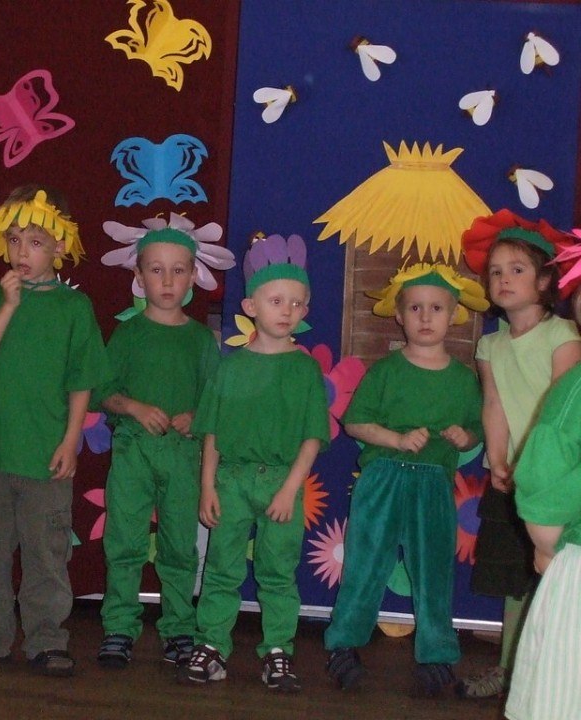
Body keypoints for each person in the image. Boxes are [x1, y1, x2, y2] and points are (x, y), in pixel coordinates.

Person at [0, 185, 108, 678]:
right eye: (14, 240)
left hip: (45, 453)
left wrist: (70, 440)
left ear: (60, 246)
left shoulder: (74, 308)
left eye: (35, 242)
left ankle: (46, 639)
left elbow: (82, 380)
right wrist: (8, 306)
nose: (22, 252)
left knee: (46, 551)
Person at [324, 263, 488, 696]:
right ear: (399, 315)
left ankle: (437, 654)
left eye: (436, 308)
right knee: (364, 565)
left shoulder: (463, 380)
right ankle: (343, 644)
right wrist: (396, 439)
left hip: (433, 485)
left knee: (434, 572)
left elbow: (478, 427)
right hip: (383, 480)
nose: (425, 317)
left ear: (453, 314)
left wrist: (467, 436)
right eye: (415, 308)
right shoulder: (386, 371)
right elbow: (355, 422)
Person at [178, 234, 329, 692]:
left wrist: (289, 490)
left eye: (296, 303)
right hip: (232, 481)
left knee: (278, 570)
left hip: (282, 482)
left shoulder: (304, 369)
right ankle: (212, 644)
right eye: (276, 300)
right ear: (251, 306)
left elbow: (312, 437)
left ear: (305, 310)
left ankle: (278, 650)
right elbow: (213, 433)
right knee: (222, 566)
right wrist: (208, 486)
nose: (286, 310)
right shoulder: (231, 367)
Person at [93, 219, 234, 669]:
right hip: (133, 450)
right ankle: (119, 626)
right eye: (156, 270)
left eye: (178, 270)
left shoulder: (200, 340)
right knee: (124, 541)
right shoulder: (128, 334)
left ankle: (178, 628)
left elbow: (217, 401)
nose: (167, 281)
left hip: (183, 457)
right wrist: (134, 407)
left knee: (179, 546)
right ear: (139, 276)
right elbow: (102, 391)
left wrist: (197, 418)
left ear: (193, 276)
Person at [457, 211, 581, 698]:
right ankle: (511, 670)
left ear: (546, 280)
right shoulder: (489, 345)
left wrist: (533, 467)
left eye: (517, 269)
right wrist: (499, 461)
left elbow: (561, 406)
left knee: (555, 576)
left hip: (556, 479)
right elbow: (494, 404)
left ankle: (553, 674)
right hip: (512, 478)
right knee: (516, 578)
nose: (503, 279)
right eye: (495, 271)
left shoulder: (564, 336)